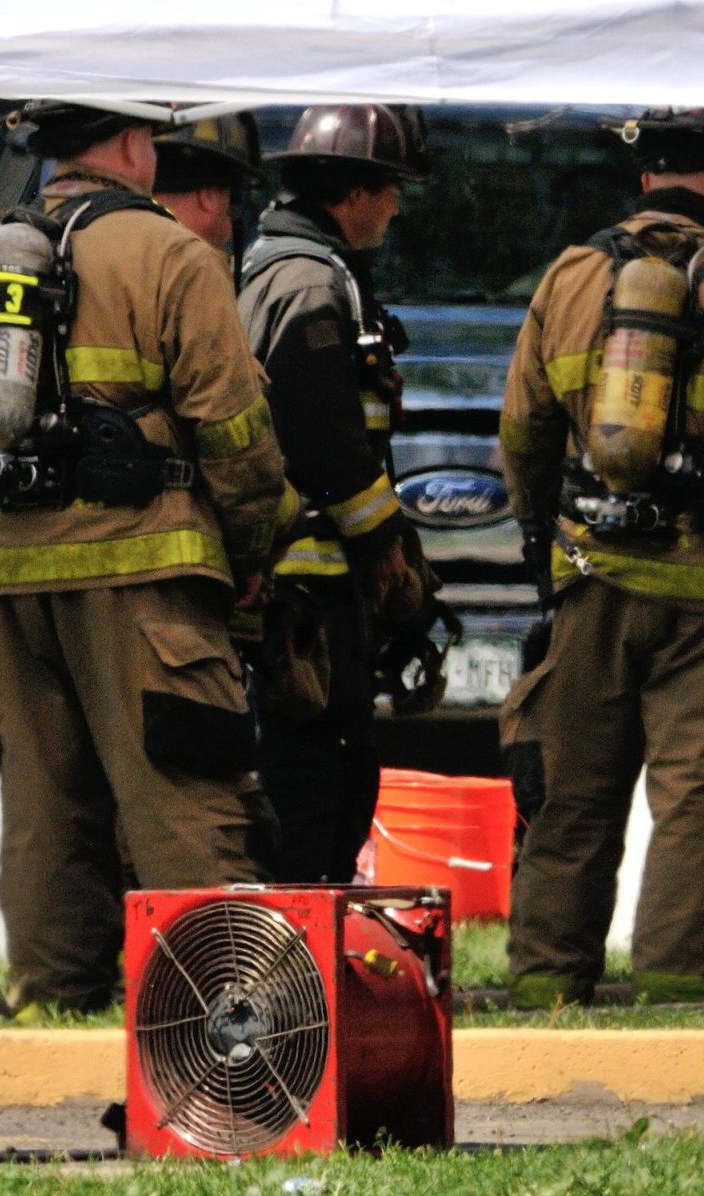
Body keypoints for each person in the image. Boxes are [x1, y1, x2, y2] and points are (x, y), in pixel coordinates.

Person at [0, 100, 296, 1017]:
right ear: (133, 145)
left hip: (15, 591)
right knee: (187, 804)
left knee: (48, 819)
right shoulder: (173, 256)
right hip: (147, 585)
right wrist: (250, 547)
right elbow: (236, 431)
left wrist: (3, 518)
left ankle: (53, 1009)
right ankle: (226, 1025)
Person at [499, 109, 704, 1006]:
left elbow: (522, 433)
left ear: (646, 177)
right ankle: (678, 990)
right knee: (695, 799)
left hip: (591, 577)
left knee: (570, 794)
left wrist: (543, 543)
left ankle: (542, 986)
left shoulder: (568, 278)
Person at [237, 104, 429, 884]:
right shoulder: (315, 286)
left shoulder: (284, 269)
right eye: (390, 188)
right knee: (319, 787)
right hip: (312, 590)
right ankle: (296, 956)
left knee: (320, 778)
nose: (395, 206)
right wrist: (389, 553)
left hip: (304, 584)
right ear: (353, 193)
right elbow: (326, 445)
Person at [153, 112, 264, 255]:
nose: (230, 230)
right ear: (209, 195)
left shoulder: (122, 242)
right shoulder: (200, 267)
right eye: (230, 208)